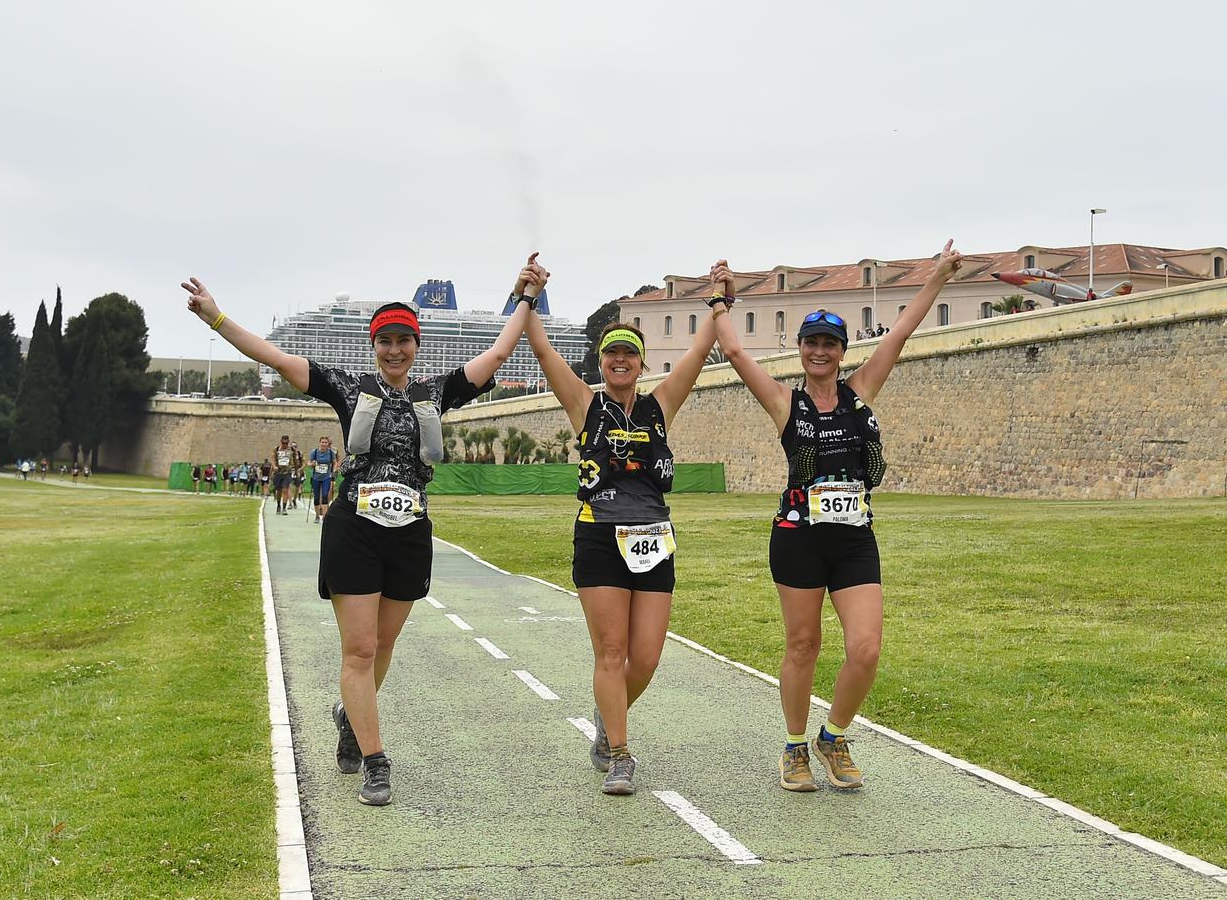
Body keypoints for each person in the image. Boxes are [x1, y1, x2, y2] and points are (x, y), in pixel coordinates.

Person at [183, 264, 531, 807]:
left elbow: (499, 355)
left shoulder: (437, 393)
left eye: (404, 341)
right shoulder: (349, 388)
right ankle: (375, 761)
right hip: (355, 530)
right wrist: (216, 317)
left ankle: (350, 716)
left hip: (410, 531)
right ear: (374, 345)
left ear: (417, 346)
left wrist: (524, 296)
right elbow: (271, 355)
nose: (395, 351)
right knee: (361, 648)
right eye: (386, 341)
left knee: (384, 645)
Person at [710, 241, 963, 792]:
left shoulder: (860, 392)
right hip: (798, 538)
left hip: (853, 540)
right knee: (803, 645)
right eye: (812, 343)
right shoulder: (784, 402)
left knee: (866, 648)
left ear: (842, 351)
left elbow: (900, 333)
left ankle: (835, 735)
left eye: (829, 343)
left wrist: (939, 277)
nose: (820, 352)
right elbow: (733, 355)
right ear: (801, 350)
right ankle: (795, 747)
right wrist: (720, 299)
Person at [513, 255, 718, 795]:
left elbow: (698, 355)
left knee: (646, 656)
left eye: (629, 354)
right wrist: (529, 295)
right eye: (612, 355)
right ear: (601, 364)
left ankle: (610, 711)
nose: (620, 361)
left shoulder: (659, 406)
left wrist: (719, 299)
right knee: (610, 652)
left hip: (653, 539)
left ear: (642, 363)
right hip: (600, 534)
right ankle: (620, 752)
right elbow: (541, 350)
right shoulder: (586, 406)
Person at [309, 437, 339, 524]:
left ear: (328, 444)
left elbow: (335, 462)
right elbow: (309, 462)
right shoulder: (314, 452)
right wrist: (312, 464)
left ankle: (325, 517)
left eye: (326, 442)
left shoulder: (330, 452)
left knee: (325, 495)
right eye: (322, 442)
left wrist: (334, 470)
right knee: (317, 497)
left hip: (326, 477)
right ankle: (317, 516)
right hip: (316, 477)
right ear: (320, 443)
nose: (324, 444)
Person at [272, 437, 300, 514]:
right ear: (281, 442)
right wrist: (274, 466)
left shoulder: (292, 450)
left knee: (285, 489)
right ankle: (278, 505)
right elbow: (273, 459)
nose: (284, 445)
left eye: (286, 443)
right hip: (278, 472)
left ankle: (284, 508)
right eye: (283, 443)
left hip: (287, 472)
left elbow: (295, 460)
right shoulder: (276, 449)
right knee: (279, 491)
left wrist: (297, 471)